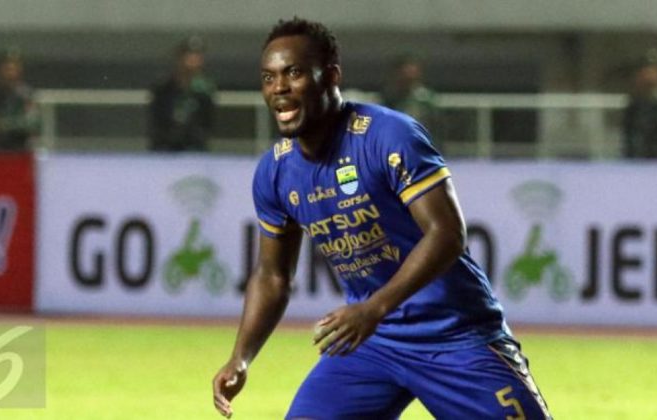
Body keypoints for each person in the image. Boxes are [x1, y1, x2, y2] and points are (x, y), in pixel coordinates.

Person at [212, 17, 552, 419]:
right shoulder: (275, 172)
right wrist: (241, 357)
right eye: (269, 78)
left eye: (294, 73)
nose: (279, 88)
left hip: (454, 333)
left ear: (331, 77)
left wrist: (373, 308)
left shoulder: (388, 136)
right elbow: (272, 275)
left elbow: (446, 234)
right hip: (373, 344)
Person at [148, 36, 216, 152]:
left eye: (198, 56)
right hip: (164, 150)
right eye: (189, 55)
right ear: (179, 58)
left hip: (194, 150)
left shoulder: (205, 91)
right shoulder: (163, 88)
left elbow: (207, 123)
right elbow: (157, 121)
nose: (193, 60)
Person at [0, 48, 40, 152]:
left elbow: (31, 123)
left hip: (19, 147)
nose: (10, 72)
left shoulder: (26, 94)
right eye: (7, 68)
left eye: (13, 68)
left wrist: (2, 125)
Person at [381, 54, 437, 130]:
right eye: (405, 77)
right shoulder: (387, 97)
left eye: (412, 78)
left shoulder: (425, 98)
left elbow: (435, 123)